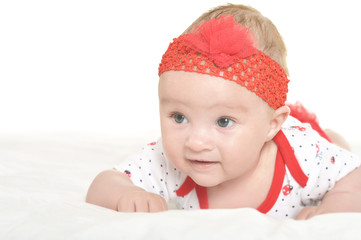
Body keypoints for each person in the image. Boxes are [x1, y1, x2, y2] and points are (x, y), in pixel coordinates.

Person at [86, 4, 361, 220]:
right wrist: (125, 194)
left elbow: (355, 176)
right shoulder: (169, 160)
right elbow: (104, 183)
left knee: (331, 144)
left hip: (304, 140)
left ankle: (328, 135)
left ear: (271, 125)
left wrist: (334, 206)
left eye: (223, 121)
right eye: (179, 117)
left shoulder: (302, 154)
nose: (195, 141)